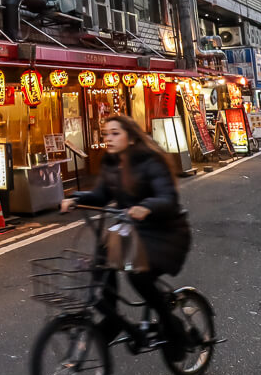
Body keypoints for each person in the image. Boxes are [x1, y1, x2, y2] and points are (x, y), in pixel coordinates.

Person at [61, 115, 191, 360]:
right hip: (130, 231)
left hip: (163, 233)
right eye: (105, 134)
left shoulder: (150, 161)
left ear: (130, 138)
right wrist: (76, 198)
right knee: (99, 272)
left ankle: (175, 332)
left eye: (115, 133)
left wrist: (147, 206)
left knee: (138, 277)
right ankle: (114, 322)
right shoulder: (111, 162)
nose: (108, 138)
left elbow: (168, 198)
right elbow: (101, 195)